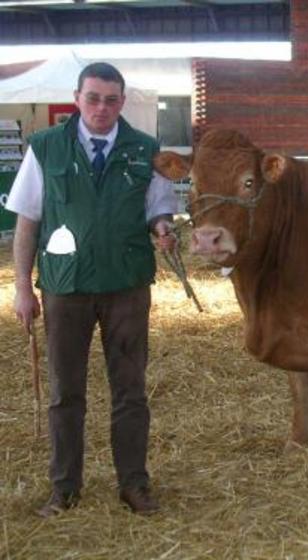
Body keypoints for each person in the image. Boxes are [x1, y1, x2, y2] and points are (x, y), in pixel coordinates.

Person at [7, 62, 177, 517]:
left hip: (126, 288)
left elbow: (159, 210)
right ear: (78, 98)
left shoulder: (145, 151)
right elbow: (27, 222)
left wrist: (163, 228)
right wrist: (22, 288)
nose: (102, 107)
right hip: (66, 289)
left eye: (111, 99)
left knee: (130, 391)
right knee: (66, 392)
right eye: (93, 97)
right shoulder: (45, 148)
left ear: (122, 102)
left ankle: (134, 485)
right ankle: (64, 488)